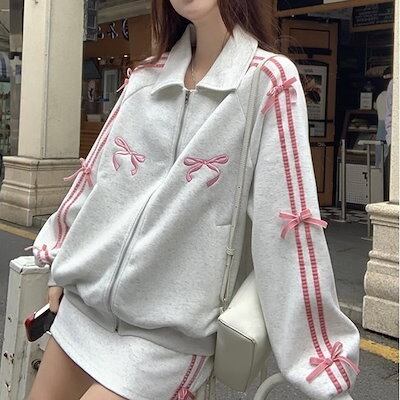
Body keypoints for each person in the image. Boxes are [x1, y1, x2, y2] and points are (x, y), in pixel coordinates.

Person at [26, 1, 361, 399]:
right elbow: (96, 180)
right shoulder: (146, 77)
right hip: (82, 311)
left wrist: (323, 367)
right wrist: (59, 261)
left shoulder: (267, 82)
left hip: (165, 342)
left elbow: (287, 227)